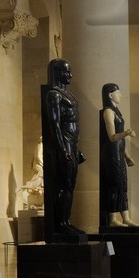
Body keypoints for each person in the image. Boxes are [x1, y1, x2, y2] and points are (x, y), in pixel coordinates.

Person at [41, 58, 84, 242]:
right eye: (66, 72)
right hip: (63, 142)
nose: (70, 75)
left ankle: (66, 220)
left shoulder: (68, 95)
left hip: (71, 144)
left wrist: (76, 149)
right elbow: (54, 125)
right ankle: (61, 224)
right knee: (63, 185)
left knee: (70, 186)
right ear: (58, 73)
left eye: (70, 71)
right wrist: (62, 149)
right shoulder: (54, 95)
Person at [101, 82, 137, 228]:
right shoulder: (108, 112)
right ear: (110, 95)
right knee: (114, 185)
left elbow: (120, 141)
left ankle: (126, 217)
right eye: (118, 92)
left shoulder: (117, 112)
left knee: (123, 185)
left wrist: (127, 156)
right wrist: (126, 133)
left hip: (119, 153)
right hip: (111, 155)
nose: (120, 95)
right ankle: (112, 219)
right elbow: (112, 137)